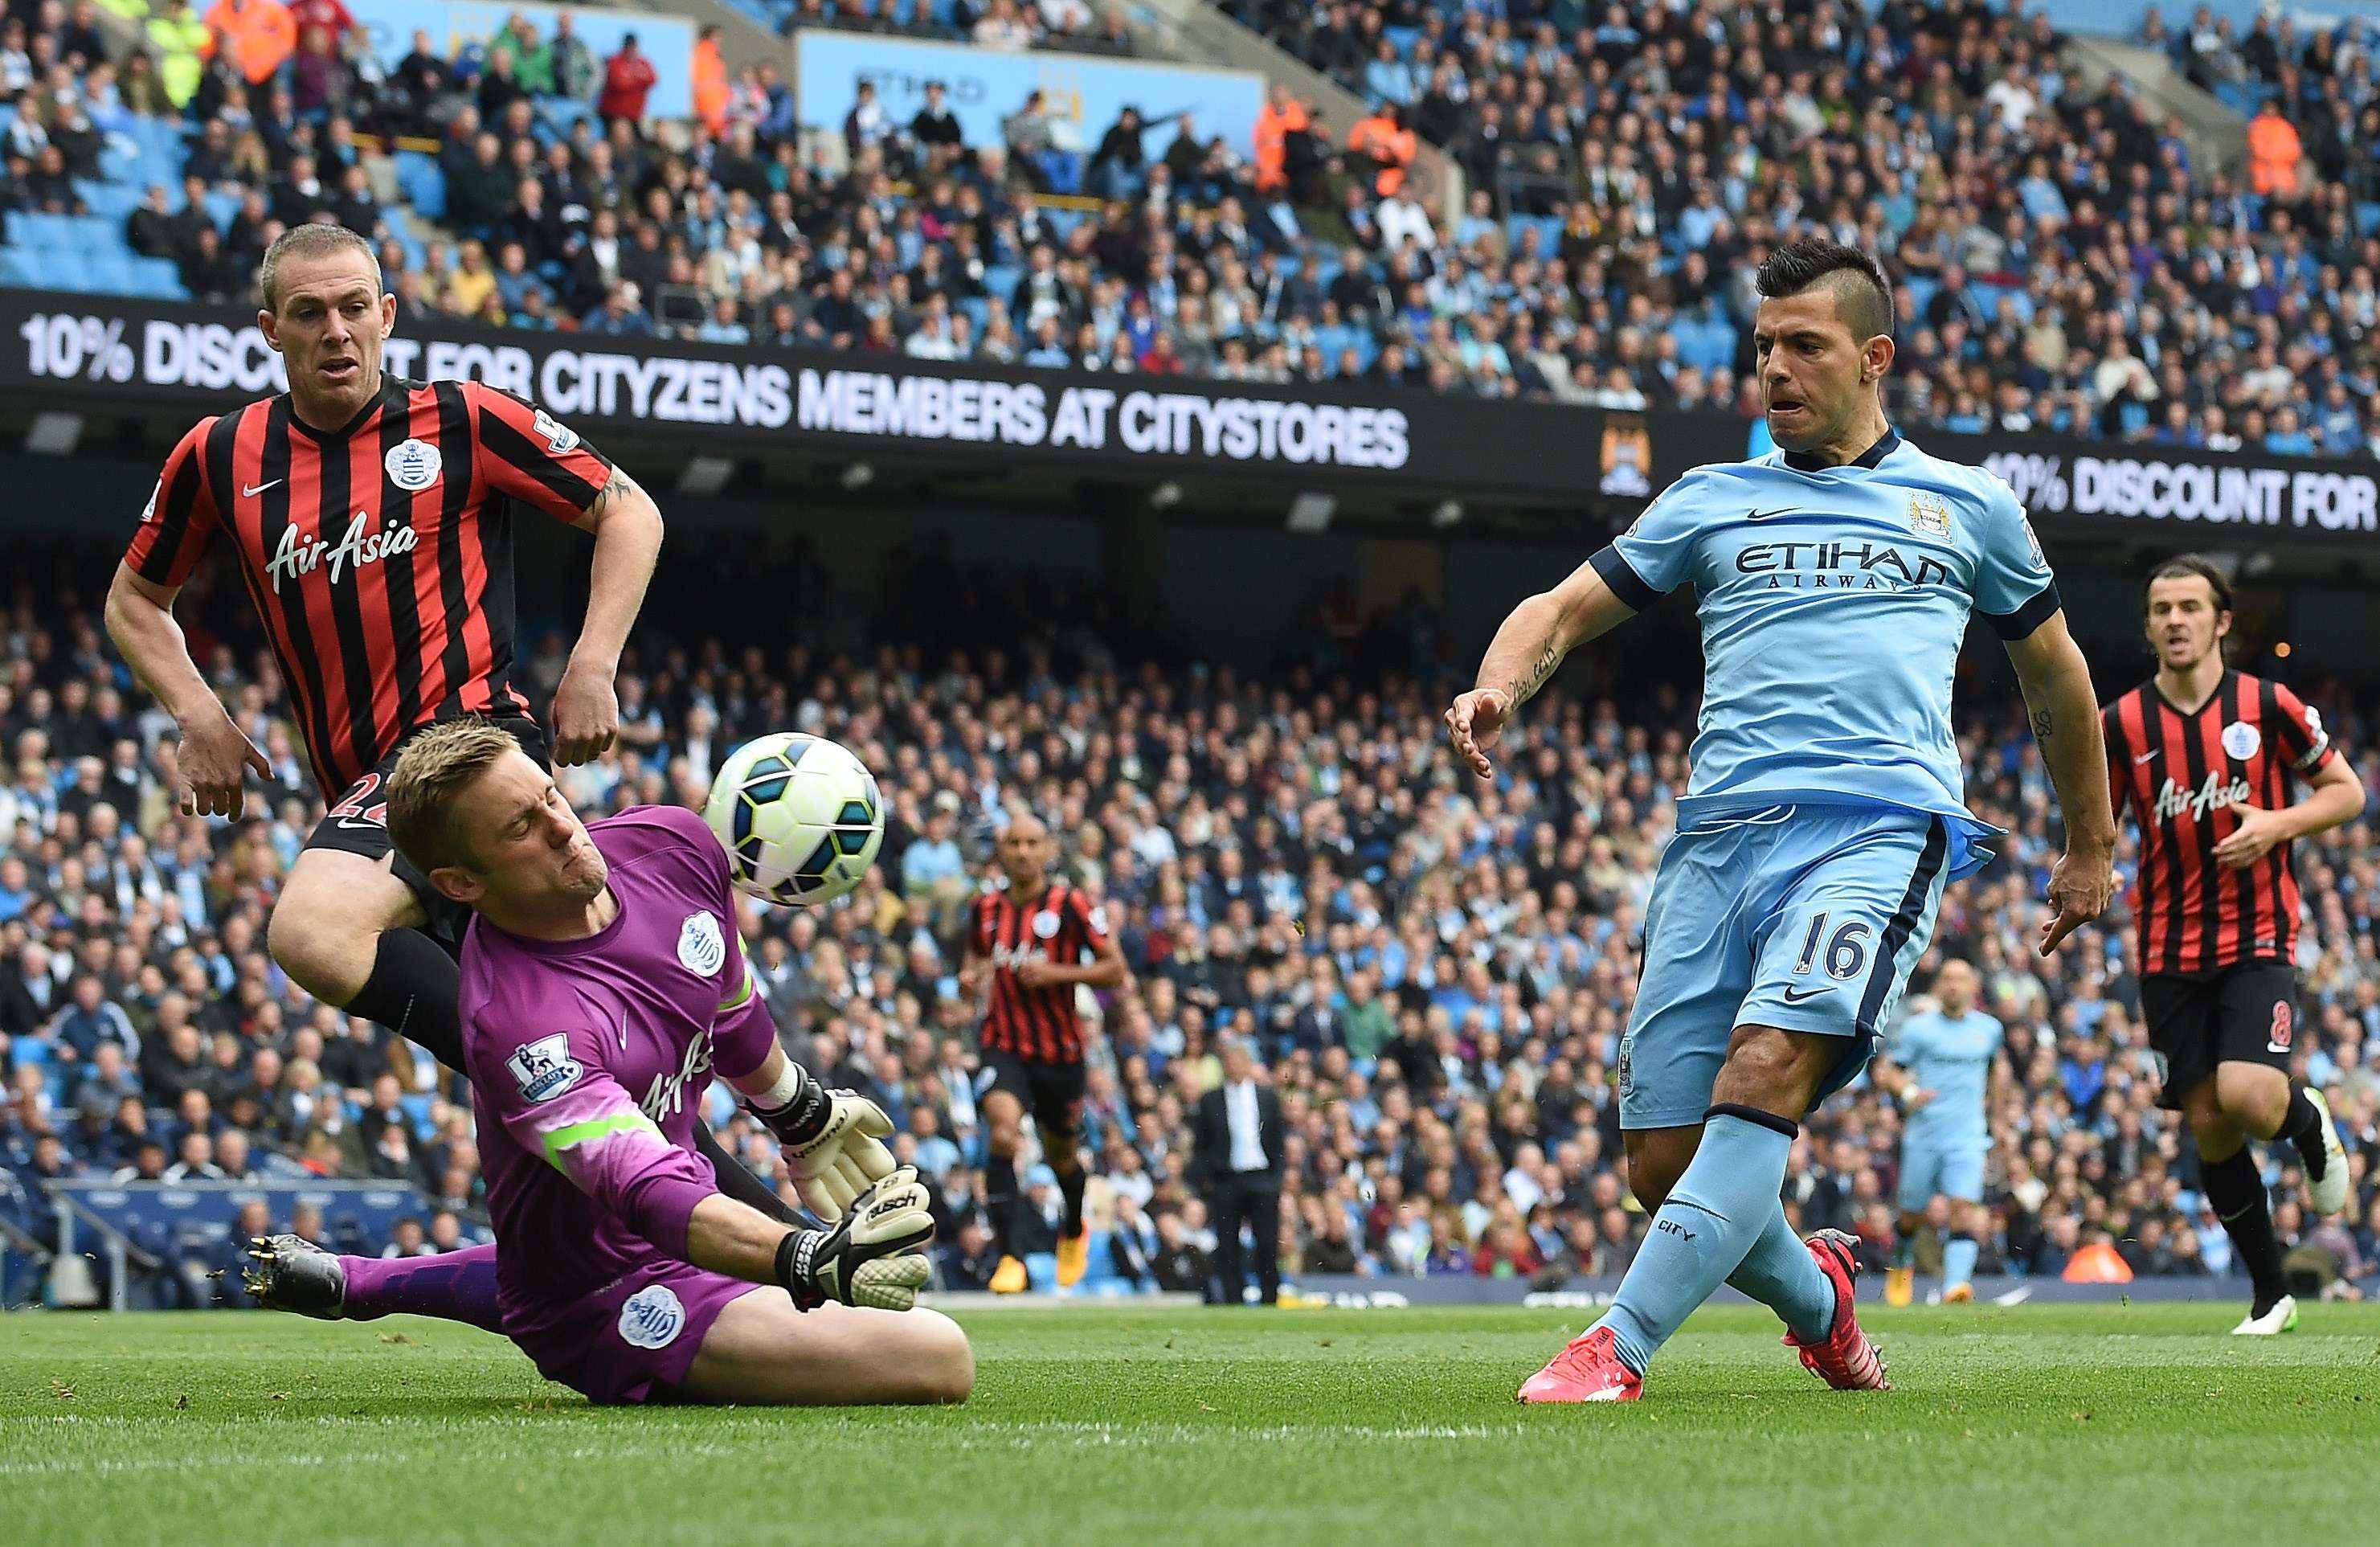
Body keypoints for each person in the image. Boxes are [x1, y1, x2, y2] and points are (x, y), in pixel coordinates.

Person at [1447, 237, 2116, 1402]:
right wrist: (1500, 685)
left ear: (1874, 357)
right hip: (1715, 842)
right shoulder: (1708, 498)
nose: (1773, 368)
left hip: (1877, 828)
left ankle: (1614, 1345)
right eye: (1763, 346)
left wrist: (2089, 844)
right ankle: (1822, 1303)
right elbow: (1559, 609)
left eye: (1803, 345)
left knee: (1765, 1067)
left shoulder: (1968, 503)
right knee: (1664, 1162)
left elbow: (2054, 673)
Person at [101, 224, 798, 1234]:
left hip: (470, 744)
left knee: (312, 930)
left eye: (355, 307)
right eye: (308, 313)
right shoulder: (219, 454)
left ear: (387, 315)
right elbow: (134, 598)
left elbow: (627, 509)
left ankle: (536, 1066)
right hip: (378, 797)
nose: (336, 331)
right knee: (582, 1079)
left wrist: (592, 663)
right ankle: (803, 1253)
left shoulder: (463, 419)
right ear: (269, 331)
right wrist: (198, 712)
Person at [248, 720, 971, 1406]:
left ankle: (358, 1282)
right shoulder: (523, 1030)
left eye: (550, 796)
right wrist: (804, 1257)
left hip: (658, 1233)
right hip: (612, 1294)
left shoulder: (672, 842)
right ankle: (411, 1290)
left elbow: (727, 997)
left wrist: (797, 1110)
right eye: (521, 826)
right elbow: (648, 1191)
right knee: (939, 1354)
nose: (563, 826)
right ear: (462, 883)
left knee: (548, 1254)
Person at [2101, 555, 2362, 1334]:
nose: (2174, 619)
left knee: (2250, 1097)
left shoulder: (2268, 705)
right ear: (2148, 626)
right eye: (2161, 608)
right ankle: (2271, 1293)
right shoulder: (2121, 723)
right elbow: (2097, 824)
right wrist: (2083, 870)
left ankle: (2306, 1122)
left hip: (2256, 931)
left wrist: (2276, 824)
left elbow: (2346, 792)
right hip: (2165, 944)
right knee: (2209, 1119)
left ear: (2221, 621)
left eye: (2189, 606)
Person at [959, 812, 1129, 1292]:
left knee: (1062, 1158)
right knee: (1003, 1133)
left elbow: (1115, 969)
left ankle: (1073, 1225)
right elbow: (975, 956)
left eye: (1032, 843)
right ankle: (1009, 1257)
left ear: (1048, 849)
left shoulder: (1071, 903)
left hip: (1061, 1054)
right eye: (1014, 843)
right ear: (1002, 850)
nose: (1023, 852)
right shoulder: (986, 907)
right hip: (1004, 1045)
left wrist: (1059, 974)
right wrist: (970, 978)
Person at [1875, 960, 2003, 1304]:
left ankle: (1956, 1286)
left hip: (1968, 1136)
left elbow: (1996, 1073)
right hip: (1925, 1135)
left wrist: (1998, 1120)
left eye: (1961, 979)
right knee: (1912, 1214)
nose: (1954, 985)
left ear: (1973, 986)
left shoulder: (1989, 1030)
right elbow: (1892, 1072)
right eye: (1947, 978)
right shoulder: (1919, 1030)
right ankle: (1901, 1261)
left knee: (1963, 1207)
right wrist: (1910, 1093)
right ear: (1938, 986)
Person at [1188, 1039, 1285, 1305]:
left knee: (1267, 1243)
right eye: (1229, 1063)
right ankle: (1233, 1299)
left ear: (1249, 1065)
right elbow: (1202, 1145)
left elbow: (1278, 1142)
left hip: (1261, 1177)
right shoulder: (1211, 1100)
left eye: (1239, 1062)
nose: (1234, 1068)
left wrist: (1276, 1179)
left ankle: (1270, 1298)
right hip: (1227, 1180)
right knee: (1228, 1245)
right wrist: (1207, 1179)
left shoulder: (1267, 1097)